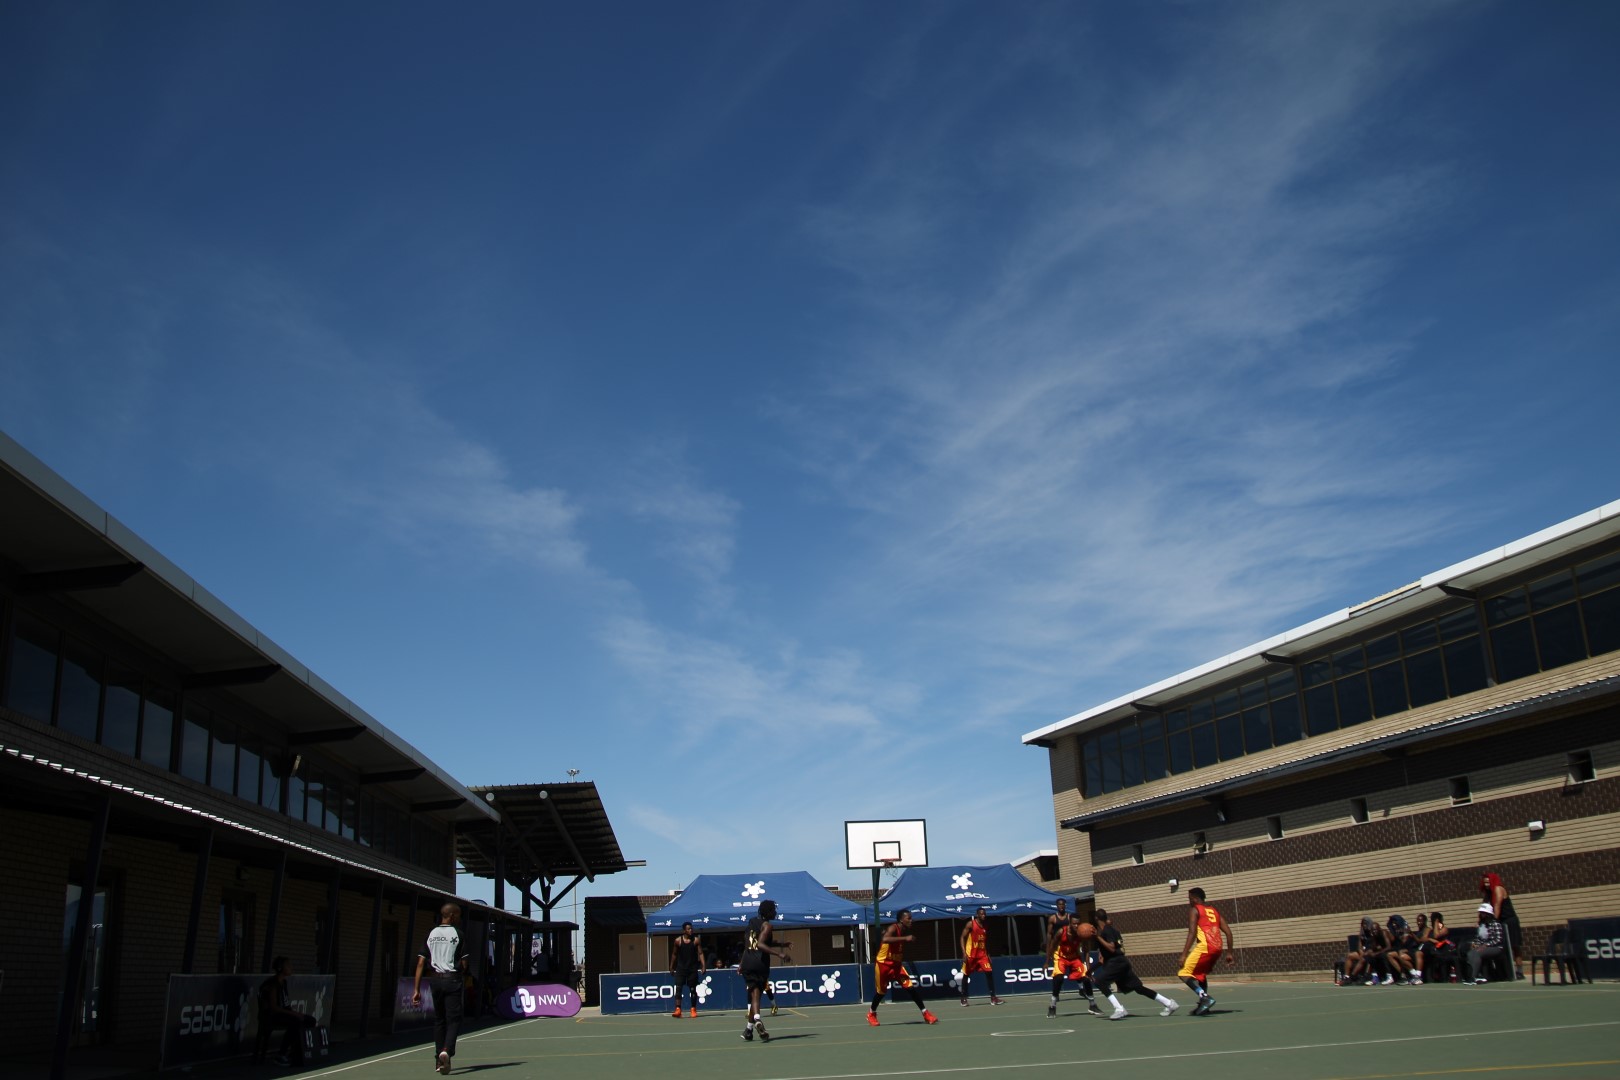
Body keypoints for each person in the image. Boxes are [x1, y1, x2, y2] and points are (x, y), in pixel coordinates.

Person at [1087, 910, 1180, 1020]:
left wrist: (1098, 937)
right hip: (1121, 963)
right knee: (1139, 988)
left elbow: (1112, 948)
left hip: (1116, 963)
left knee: (1100, 981)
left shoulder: (1107, 931)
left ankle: (1119, 1009)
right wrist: (1090, 970)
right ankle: (1169, 1003)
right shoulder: (1111, 931)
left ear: (1096, 918)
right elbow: (1103, 959)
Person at [412, 903, 470, 1075]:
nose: (459, 918)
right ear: (451, 916)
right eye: (458, 915)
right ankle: (446, 1050)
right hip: (452, 979)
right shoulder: (458, 934)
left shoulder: (431, 934)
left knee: (439, 1020)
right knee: (454, 1019)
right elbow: (464, 963)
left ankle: (439, 1059)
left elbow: (421, 963)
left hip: (435, 980)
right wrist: (460, 972)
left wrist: (416, 989)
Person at [868, 909, 938, 1027]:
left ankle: (926, 1013)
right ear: (901, 920)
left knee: (910, 988)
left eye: (911, 918)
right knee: (881, 992)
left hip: (896, 965)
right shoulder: (893, 928)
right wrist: (905, 938)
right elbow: (885, 939)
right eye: (908, 918)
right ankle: (871, 1013)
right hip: (883, 964)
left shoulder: (904, 930)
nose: (911, 920)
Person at [740, 899, 791, 1042]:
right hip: (759, 962)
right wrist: (779, 954)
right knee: (756, 993)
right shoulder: (767, 925)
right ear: (768, 912)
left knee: (754, 994)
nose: (775, 912)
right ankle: (757, 1019)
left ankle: (748, 1030)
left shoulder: (751, 923)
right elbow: (761, 945)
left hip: (747, 961)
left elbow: (750, 944)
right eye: (773, 910)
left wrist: (782, 944)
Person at [1177, 888, 1234, 1014]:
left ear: (1195, 899)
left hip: (1205, 947)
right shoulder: (1214, 911)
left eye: (1189, 899)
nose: (1189, 902)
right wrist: (1229, 953)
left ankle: (1205, 998)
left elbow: (1192, 932)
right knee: (1201, 975)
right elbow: (1229, 933)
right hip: (1217, 948)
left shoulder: (1195, 909)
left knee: (1183, 973)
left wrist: (1184, 954)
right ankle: (1204, 1006)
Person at [256, 956, 315, 1066]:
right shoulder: (272, 984)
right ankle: (281, 1055)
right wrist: (294, 1014)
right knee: (296, 1022)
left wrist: (297, 1013)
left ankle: (296, 1053)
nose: (291, 967)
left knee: (310, 1020)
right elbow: (274, 1007)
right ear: (280, 968)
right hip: (271, 1016)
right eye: (288, 965)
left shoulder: (284, 983)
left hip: (282, 1014)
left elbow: (286, 1005)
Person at [1045, 912, 1103, 1018]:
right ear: (1070, 923)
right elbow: (1052, 945)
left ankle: (1092, 1005)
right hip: (1061, 957)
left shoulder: (1081, 933)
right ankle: (1052, 1006)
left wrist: (1088, 969)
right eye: (1074, 924)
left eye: (1078, 923)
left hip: (1075, 957)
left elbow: (1086, 951)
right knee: (1059, 978)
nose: (1076, 926)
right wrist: (1047, 962)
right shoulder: (1061, 931)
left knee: (1086, 979)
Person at [1479, 872, 1524, 980]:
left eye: (1488, 882)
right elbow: (1484, 907)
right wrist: (1480, 921)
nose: (1486, 884)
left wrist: (1493, 921)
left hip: (1509, 920)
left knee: (1515, 946)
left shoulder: (1498, 889)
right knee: (1500, 947)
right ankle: (1504, 971)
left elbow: (1497, 905)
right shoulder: (1488, 893)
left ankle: (1519, 971)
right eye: (1485, 883)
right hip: (1500, 922)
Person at [958, 907, 1004, 1007]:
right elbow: (962, 937)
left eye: (984, 914)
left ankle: (993, 998)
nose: (983, 915)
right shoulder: (971, 924)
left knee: (989, 972)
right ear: (977, 915)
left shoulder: (986, 925)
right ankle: (963, 998)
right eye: (981, 914)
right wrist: (964, 953)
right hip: (971, 954)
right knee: (966, 974)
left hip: (982, 955)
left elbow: (986, 941)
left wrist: (988, 954)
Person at [669, 922, 705, 1018]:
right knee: (678, 988)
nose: (691, 930)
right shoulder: (678, 941)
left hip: (692, 969)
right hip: (681, 968)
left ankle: (693, 1009)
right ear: (684, 930)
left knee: (693, 989)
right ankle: (678, 1009)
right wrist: (671, 966)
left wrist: (703, 965)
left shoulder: (696, 940)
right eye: (688, 929)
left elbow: (700, 953)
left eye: (691, 928)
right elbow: (674, 954)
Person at [1466, 903, 1508, 984]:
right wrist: (1475, 943)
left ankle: (1474, 976)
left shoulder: (1495, 924)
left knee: (1477, 952)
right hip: (1483, 947)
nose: (1481, 914)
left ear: (1488, 914)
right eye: (1480, 913)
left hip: (1496, 947)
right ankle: (1472, 975)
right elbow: (1479, 938)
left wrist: (1486, 945)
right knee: (1471, 952)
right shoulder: (1481, 925)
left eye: (1483, 913)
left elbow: (1498, 939)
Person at [1414, 912, 1456, 984]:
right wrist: (1430, 939)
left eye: (1433, 920)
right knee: (1418, 953)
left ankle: (1418, 976)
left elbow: (1436, 936)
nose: (1432, 921)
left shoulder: (1444, 929)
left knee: (1421, 952)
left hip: (1441, 950)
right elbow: (1423, 939)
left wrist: (1436, 923)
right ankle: (1417, 976)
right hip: (1430, 950)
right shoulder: (1431, 930)